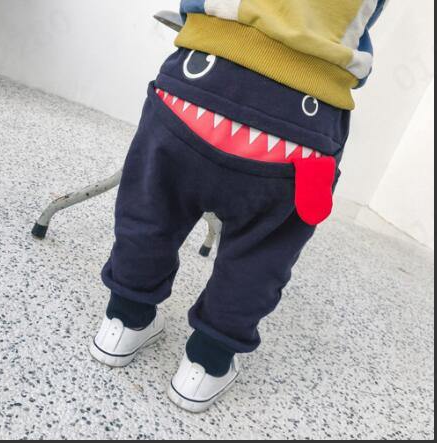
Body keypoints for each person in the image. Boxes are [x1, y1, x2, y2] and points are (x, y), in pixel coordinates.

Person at [90, 0, 389, 413]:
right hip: (305, 116)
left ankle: (123, 321)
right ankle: (206, 365)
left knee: (151, 209)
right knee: (262, 254)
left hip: (198, 80)